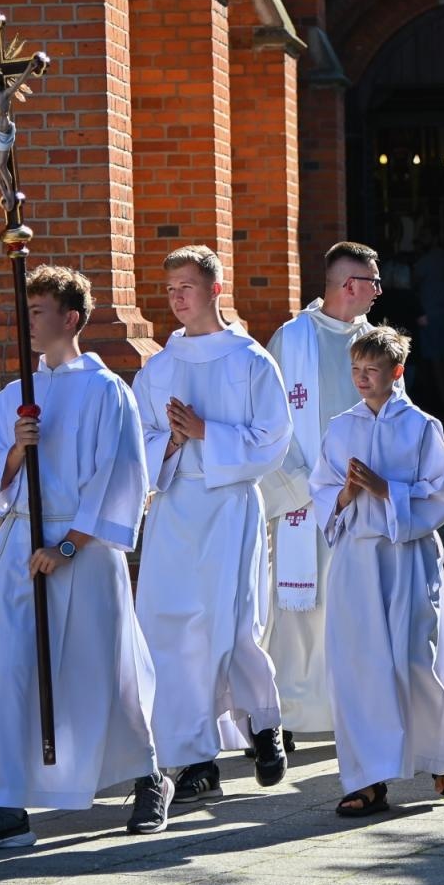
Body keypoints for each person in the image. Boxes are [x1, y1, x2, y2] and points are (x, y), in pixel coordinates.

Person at [0, 265, 170, 850]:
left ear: (70, 318)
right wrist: (18, 454)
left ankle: (148, 779)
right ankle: (5, 805)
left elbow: (120, 477)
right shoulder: (14, 394)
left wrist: (67, 546)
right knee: (3, 668)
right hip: (20, 544)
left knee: (102, 670)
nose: (29, 323)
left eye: (39, 311)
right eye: (27, 312)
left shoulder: (107, 392)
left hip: (84, 549)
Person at [131, 246, 291, 807]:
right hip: (175, 509)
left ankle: (263, 724)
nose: (177, 298)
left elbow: (273, 440)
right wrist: (170, 442)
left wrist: (205, 431)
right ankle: (196, 758)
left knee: (228, 628)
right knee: (169, 631)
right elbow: (138, 447)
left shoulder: (250, 362)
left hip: (227, 506)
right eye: (170, 288)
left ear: (215, 290)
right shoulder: (157, 369)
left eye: (187, 286)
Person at [310, 327, 444, 816]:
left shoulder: (422, 426)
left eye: (373, 370)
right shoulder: (341, 427)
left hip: (406, 556)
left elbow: (442, 495)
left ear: (396, 372)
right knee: (359, 666)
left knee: (413, 659)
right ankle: (367, 779)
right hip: (357, 559)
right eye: (356, 370)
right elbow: (320, 490)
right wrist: (344, 495)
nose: (362, 379)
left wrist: (388, 491)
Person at [260, 242, 383, 740]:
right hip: (304, 499)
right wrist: (304, 487)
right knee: (298, 611)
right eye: (373, 281)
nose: (377, 292)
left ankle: (349, 709)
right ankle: (287, 714)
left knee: (353, 607)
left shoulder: (378, 342)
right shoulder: (291, 340)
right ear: (350, 284)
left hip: (361, 497)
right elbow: (268, 421)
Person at [413, 236, 444, 407]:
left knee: (432, 357)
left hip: (429, 313)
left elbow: (414, 280)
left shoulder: (427, 260)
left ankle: (439, 397)